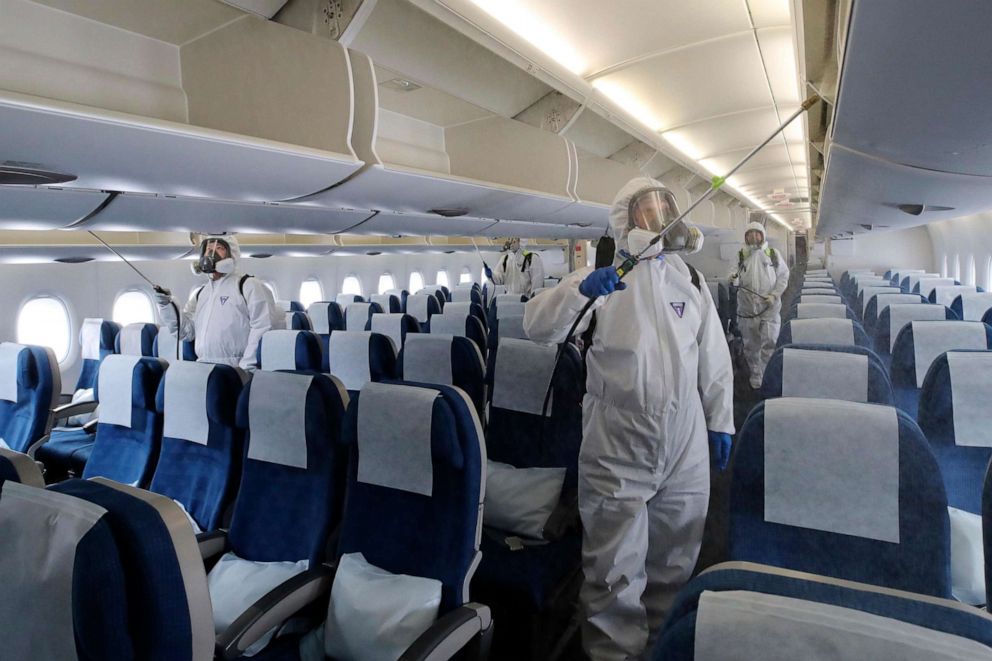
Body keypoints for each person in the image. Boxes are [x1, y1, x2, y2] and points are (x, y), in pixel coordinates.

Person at [524, 177, 734, 660]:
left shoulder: (690, 278)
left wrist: (720, 420)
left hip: (684, 440)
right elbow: (537, 326)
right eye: (646, 209)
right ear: (624, 219)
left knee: (675, 561)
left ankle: (660, 647)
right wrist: (581, 292)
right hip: (618, 439)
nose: (658, 217)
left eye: (664, 207)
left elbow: (713, 357)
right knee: (613, 571)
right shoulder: (602, 276)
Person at [155, 235, 283, 372]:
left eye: (219, 248)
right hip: (203, 368)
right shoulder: (202, 293)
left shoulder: (248, 285)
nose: (211, 253)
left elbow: (262, 328)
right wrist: (166, 305)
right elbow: (186, 332)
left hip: (236, 368)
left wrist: (246, 368)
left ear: (231, 254)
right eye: (208, 249)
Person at [733, 221, 789, 389]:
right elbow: (732, 272)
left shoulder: (773, 254)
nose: (754, 237)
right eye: (750, 234)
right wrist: (732, 278)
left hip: (769, 309)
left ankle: (767, 373)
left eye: (757, 233)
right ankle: (756, 374)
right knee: (751, 345)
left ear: (762, 235)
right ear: (746, 236)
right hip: (747, 309)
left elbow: (783, 277)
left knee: (770, 341)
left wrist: (774, 295)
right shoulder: (742, 255)